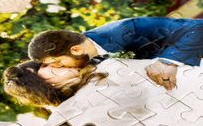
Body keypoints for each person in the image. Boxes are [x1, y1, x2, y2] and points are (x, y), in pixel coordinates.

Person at [28, 17, 203, 90]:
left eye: (57, 63)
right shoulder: (91, 57)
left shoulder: (130, 28)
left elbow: (197, 28)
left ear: (76, 50)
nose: (58, 68)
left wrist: (167, 62)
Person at [3, 60, 107, 107]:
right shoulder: (81, 104)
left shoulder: (99, 62)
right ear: (44, 85)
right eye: (44, 66)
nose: (55, 64)